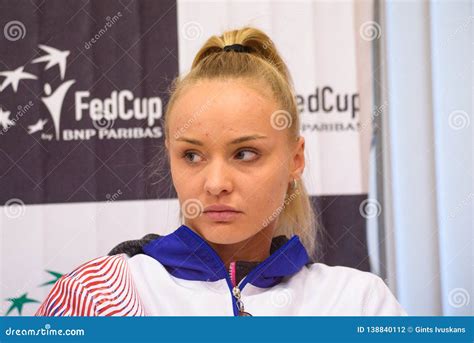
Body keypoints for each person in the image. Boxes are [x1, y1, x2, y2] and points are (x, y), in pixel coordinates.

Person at [35, 26, 407, 316]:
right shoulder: (99, 296)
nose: (215, 184)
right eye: (192, 156)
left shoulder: (358, 303)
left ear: (295, 159)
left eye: (245, 153)